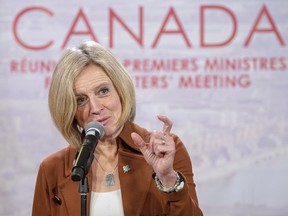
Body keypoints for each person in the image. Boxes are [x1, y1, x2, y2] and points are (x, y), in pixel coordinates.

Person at [32, 40, 203, 216]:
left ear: (121, 90)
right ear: (69, 111)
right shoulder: (52, 169)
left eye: (103, 91)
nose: (96, 108)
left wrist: (168, 179)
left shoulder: (165, 151)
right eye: (80, 100)